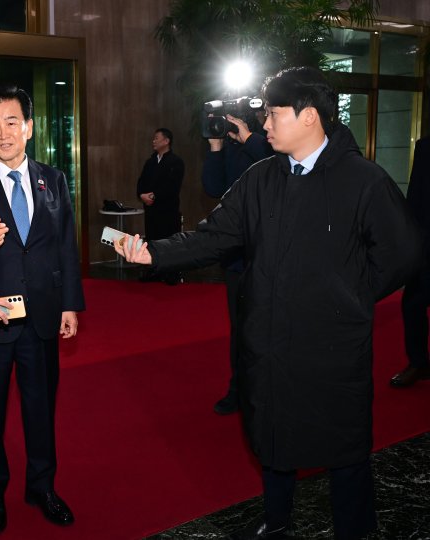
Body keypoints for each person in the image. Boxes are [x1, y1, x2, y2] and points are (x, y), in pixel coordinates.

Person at [115, 67, 421, 540]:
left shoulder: (363, 180)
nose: (265, 126)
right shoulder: (261, 178)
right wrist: (155, 251)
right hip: (270, 339)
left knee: (344, 448)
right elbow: (215, 235)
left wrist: (348, 296)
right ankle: (274, 521)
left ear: (310, 117)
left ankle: (355, 530)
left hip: (332, 347)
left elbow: (403, 253)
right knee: (273, 438)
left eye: (274, 114)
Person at [0, 82, 85, 534]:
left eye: (10, 122)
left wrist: (70, 305)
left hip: (42, 317)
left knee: (41, 409)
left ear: (28, 127)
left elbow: (65, 245)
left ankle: (42, 487)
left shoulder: (54, 179)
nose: (2, 133)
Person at [202, 113, 273, 415]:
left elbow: (280, 167)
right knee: (240, 328)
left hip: (270, 252)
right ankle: (239, 390)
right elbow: (213, 186)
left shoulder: (270, 142)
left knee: (270, 327)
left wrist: (249, 138)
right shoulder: (232, 148)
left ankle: (270, 392)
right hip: (237, 255)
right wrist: (216, 146)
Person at [391, 136, 430, 388]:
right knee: (413, 303)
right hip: (425, 240)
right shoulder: (426, 146)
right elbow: (416, 196)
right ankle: (418, 363)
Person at [136, 127, 184, 283]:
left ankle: (171, 273)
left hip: (168, 210)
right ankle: (154, 271)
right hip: (151, 210)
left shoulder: (176, 162)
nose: (153, 141)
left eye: (157, 138)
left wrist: (155, 195)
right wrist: (141, 195)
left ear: (166, 141)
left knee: (169, 241)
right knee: (152, 240)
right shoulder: (150, 162)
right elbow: (141, 182)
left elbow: (173, 186)